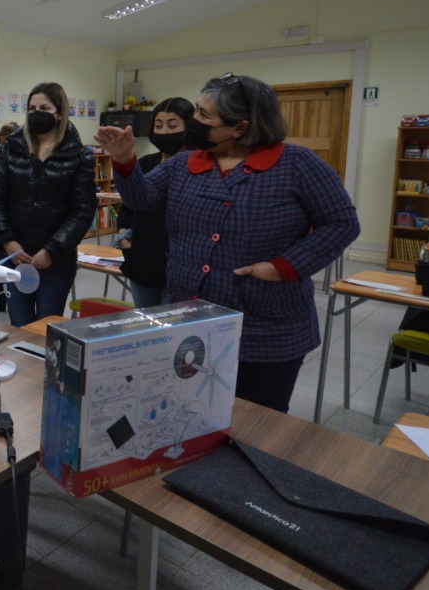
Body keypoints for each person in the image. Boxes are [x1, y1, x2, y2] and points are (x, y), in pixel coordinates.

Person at [95, 73, 359, 413]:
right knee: (190, 415)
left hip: (265, 329)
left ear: (241, 127)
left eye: (205, 117)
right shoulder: (185, 162)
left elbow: (342, 222)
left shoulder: (297, 164)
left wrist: (284, 267)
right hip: (191, 321)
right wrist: (124, 159)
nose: (195, 123)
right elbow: (142, 199)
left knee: (255, 424)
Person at [0, 82, 96, 327]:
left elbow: (82, 210)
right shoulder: (11, 149)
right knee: (19, 326)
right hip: (16, 259)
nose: (36, 113)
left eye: (44, 107)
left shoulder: (79, 155)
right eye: (31, 108)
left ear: (59, 113)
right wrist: (7, 241)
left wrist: (52, 250)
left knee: (46, 329)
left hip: (56, 262)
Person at [114, 97, 194, 309]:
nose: (164, 131)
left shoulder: (197, 169)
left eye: (172, 125)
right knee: (146, 328)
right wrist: (124, 239)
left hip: (178, 267)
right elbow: (127, 210)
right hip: (142, 264)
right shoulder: (145, 163)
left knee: (173, 331)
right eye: (158, 125)